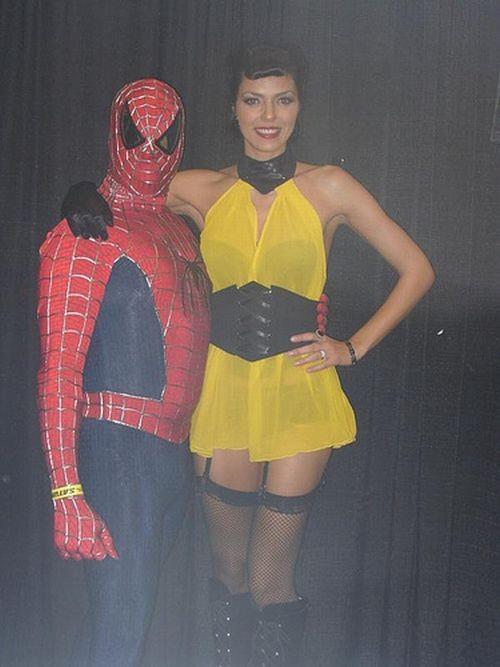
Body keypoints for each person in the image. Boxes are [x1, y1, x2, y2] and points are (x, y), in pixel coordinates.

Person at [62, 44, 435, 667]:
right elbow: (121, 192)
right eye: (253, 100)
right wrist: (83, 192)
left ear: (299, 106)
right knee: (229, 571)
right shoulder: (200, 188)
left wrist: (351, 348)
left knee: (269, 578)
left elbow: (417, 269)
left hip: (299, 392)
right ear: (233, 109)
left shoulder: (330, 185)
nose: (269, 116)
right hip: (224, 392)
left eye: (282, 100)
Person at [37, 78, 211, 666]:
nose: (150, 153)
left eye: (165, 139)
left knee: (123, 626)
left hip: (170, 458)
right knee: (119, 632)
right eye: (137, 135)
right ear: (116, 132)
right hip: (116, 453)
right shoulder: (85, 232)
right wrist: (67, 493)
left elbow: (191, 328)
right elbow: (59, 370)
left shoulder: (177, 227)